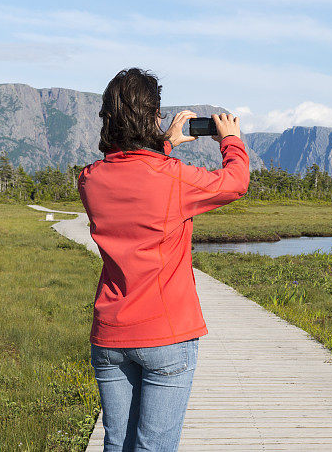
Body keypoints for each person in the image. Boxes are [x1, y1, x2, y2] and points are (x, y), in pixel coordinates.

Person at [78, 67, 250, 451]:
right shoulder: (173, 178)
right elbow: (235, 182)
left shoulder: (89, 178)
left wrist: (164, 145)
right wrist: (232, 141)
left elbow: (134, 173)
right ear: (153, 116)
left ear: (108, 117)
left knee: (116, 444)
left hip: (110, 336)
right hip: (166, 335)